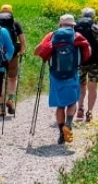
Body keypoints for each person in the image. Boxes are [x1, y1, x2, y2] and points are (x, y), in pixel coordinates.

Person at [34, 14, 91, 144]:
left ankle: (61, 134)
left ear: (60, 24)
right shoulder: (76, 36)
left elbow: (37, 51)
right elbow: (88, 52)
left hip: (56, 75)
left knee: (60, 106)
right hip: (72, 74)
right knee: (72, 102)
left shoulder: (52, 36)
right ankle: (68, 125)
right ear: (73, 26)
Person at [74, 7, 98, 123]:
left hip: (80, 61)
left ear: (82, 15)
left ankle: (80, 108)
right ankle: (89, 112)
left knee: (81, 85)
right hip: (94, 61)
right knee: (92, 86)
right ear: (93, 16)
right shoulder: (97, 26)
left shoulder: (75, 26)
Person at [0, 4, 27, 116]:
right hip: (12, 55)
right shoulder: (15, 23)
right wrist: (21, 51)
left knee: (0, 80)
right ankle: (11, 99)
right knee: (12, 78)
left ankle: (2, 107)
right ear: (11, 13)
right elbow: (22, 41)